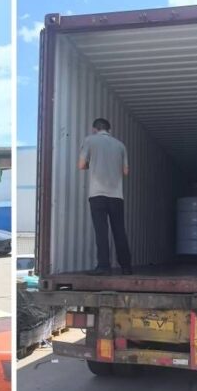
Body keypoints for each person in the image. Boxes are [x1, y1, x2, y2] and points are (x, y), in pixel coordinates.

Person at [78, 118, 132, 276]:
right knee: (119, 231)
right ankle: (126, 266)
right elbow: (126, 171)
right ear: (109, 130)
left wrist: (93, 164)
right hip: (116, 195)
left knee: (101, 231)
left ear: (94, 129)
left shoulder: (90, 140)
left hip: (97, 195)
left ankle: (104, 266)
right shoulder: (120, 145)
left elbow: (81, 165)